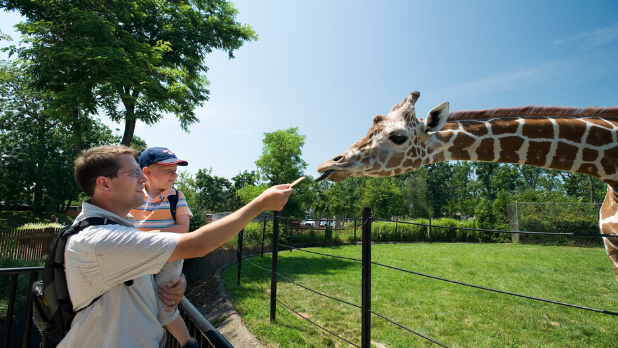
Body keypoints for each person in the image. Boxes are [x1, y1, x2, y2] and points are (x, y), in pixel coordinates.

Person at [62, 145, 292, 347]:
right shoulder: (102, 239)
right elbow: (200, 244)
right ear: (104, 184)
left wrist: (178, 282)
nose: (142, 179)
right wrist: (260, 204)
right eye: (134, 173)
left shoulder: (117, 229)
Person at [130, 147, 195, 347]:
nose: (174, 175)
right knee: (141, 303)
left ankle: (188, 342)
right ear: (147, 172)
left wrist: (150, 237)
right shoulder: (132, 196)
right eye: (168, 170)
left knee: (164, 306)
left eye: (175, 170)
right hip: (140, 258)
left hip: (169, 256)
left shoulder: (176, 196)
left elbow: (183, 228)